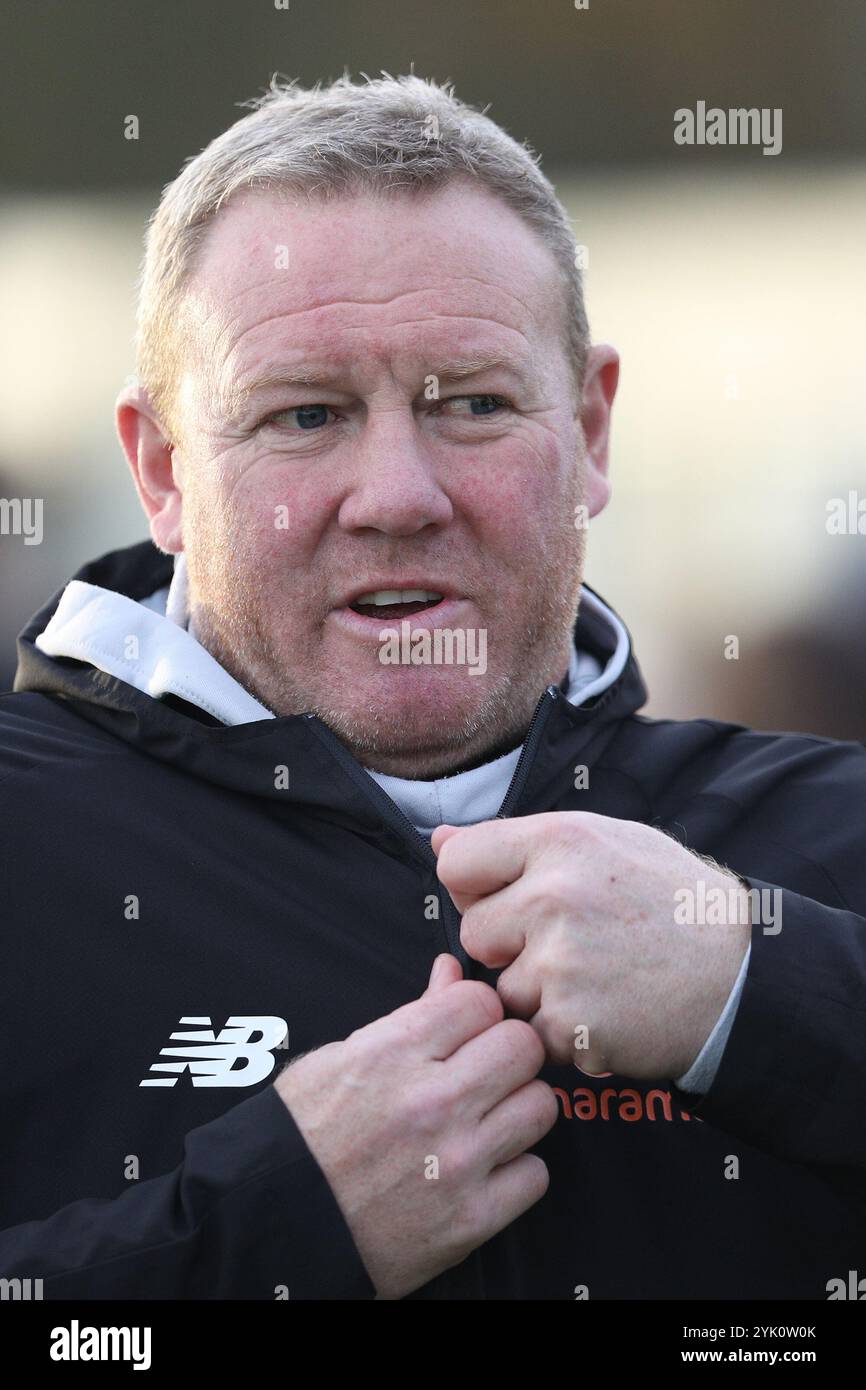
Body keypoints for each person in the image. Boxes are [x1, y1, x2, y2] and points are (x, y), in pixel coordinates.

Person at [1, 72, 863, 1302]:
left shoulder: (824, 842)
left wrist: (760, 996)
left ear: (591, 430)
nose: (397, 495)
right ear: (164, 471)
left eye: (471, 404)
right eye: (304, 415)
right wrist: (272, 1234)